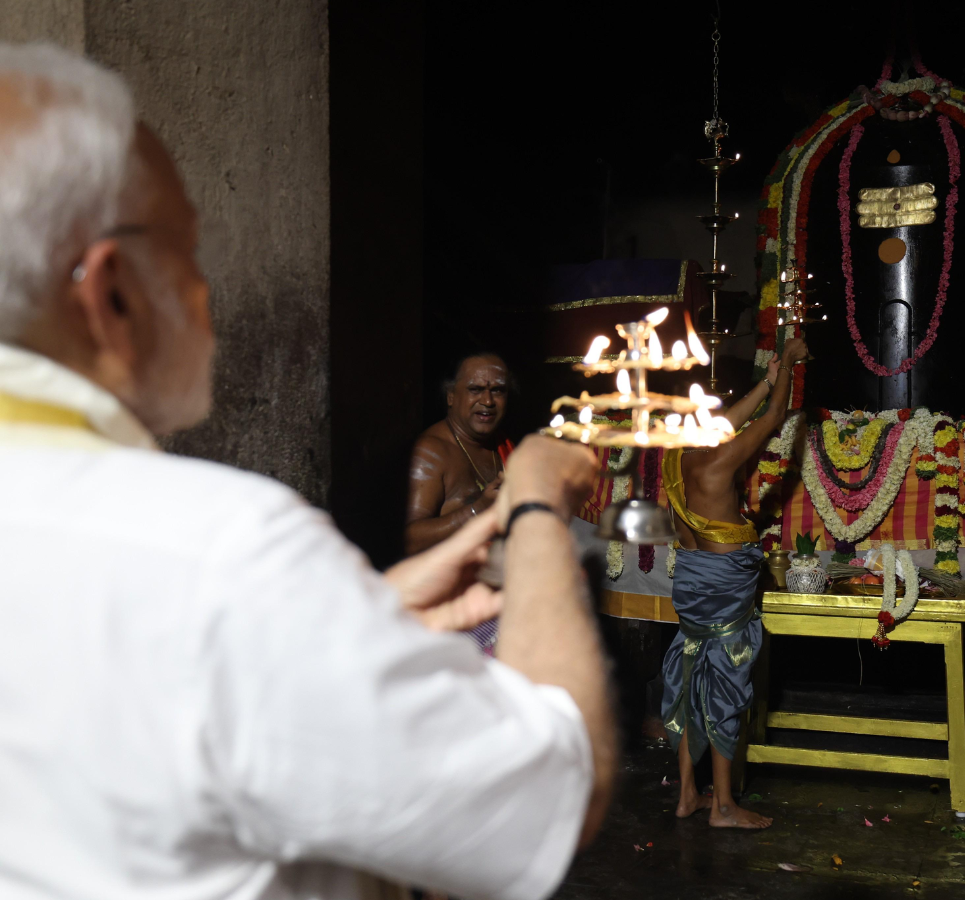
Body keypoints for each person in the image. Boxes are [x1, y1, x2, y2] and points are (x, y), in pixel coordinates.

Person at [0, 43, 613, 900]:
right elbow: (550, 795)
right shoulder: (228, 555)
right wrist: (537, 505)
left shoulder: (208, 574)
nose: (205, 290)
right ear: (112, 294)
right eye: (188, 251)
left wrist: (349, 621)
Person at [661, 335, 808, 830]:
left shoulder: (676, 456)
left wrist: (767, 378)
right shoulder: (718, 460)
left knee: (691, 678)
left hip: (692, 582)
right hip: (724, 588)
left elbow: (734, 418)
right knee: (724, 685)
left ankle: (688, 794)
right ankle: (723, 806)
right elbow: (773, 417)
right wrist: (790, 367)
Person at [406, 353, 514, 555]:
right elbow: (410, 541)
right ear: (451, 396)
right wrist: (479, 508)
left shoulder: (502, 444)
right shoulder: (431, 451)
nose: (488, 401)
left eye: (497, 391)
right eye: (476, 390)